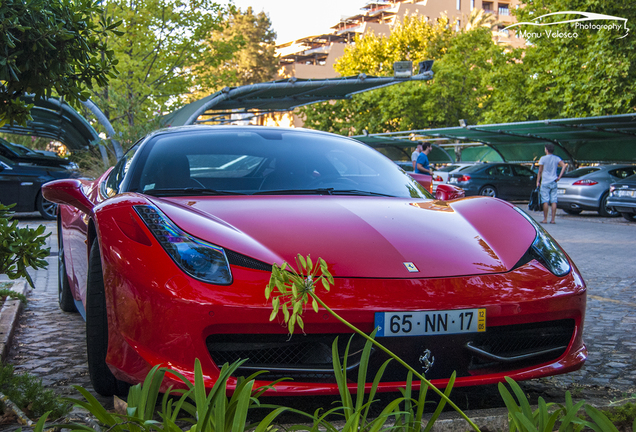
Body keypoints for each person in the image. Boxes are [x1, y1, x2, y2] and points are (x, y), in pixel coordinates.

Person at [536, 143, 568, 224]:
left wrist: (538, 181)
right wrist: (559, 176)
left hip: (545, 181)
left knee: (545, 200)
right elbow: (564, 166)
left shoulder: (543, 158)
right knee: (554, 200)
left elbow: (540, 171)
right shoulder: (556, 158)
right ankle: (553, 219)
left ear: (546, 149)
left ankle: (545, 219)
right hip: (554, 181)